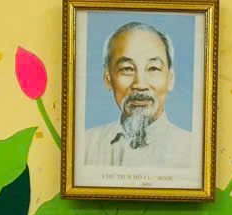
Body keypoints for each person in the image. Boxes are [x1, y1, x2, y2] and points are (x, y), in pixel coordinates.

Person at [80, 21, 195, 169]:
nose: (140, 84)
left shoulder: (193, 151)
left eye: (153, 68)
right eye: (127, 68)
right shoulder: (84, 146)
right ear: (108, 79)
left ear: (170, 79)